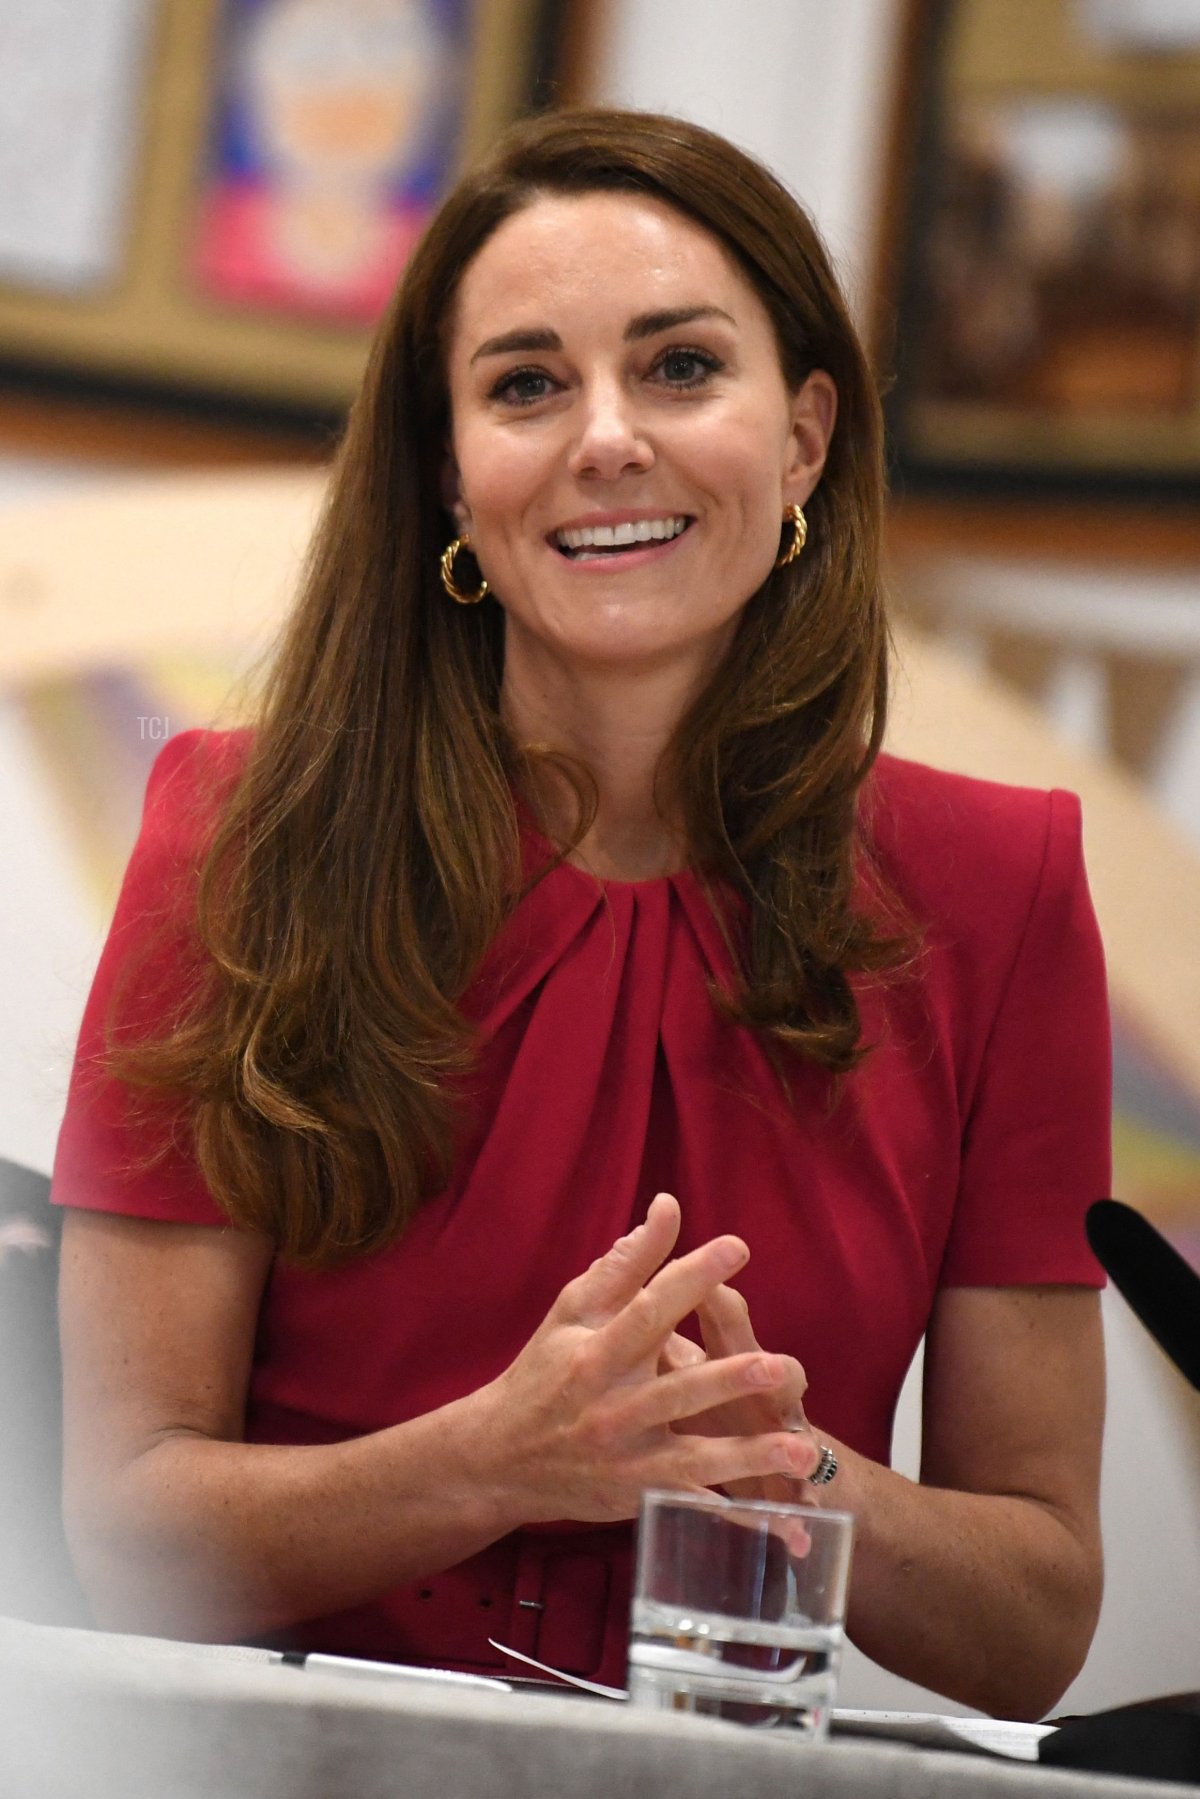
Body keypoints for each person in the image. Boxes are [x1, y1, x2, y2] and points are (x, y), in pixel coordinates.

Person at [51, 107, 1110, 1721]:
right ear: (448, 468)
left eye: (681, 367)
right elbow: (123, 1529)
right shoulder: (240, 838)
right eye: (526, 384)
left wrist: (784, 1468)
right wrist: (495, 1463)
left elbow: (1033, 1618)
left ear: (806, 437)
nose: (606, 438)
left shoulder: (1004, 889)